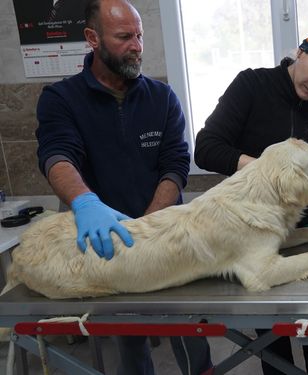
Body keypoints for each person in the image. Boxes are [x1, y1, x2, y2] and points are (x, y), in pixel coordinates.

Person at [35, 0, 213, 374]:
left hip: (165, 234)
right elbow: (57, 155)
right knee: (129, 338)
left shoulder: (161, 98)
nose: (136, 45)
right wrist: (84, 202)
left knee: (190, 329)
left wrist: (149, 224)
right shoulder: (61, 99)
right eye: (123, 37)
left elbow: (176, 164)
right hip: (109, 241)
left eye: (139, 36)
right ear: (92, 38)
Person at [194, 19, 308, 374]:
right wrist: (267, 173)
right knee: (272, 338)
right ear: (300, 51)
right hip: (256, 231)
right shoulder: (252, 85)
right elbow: (206, 148)